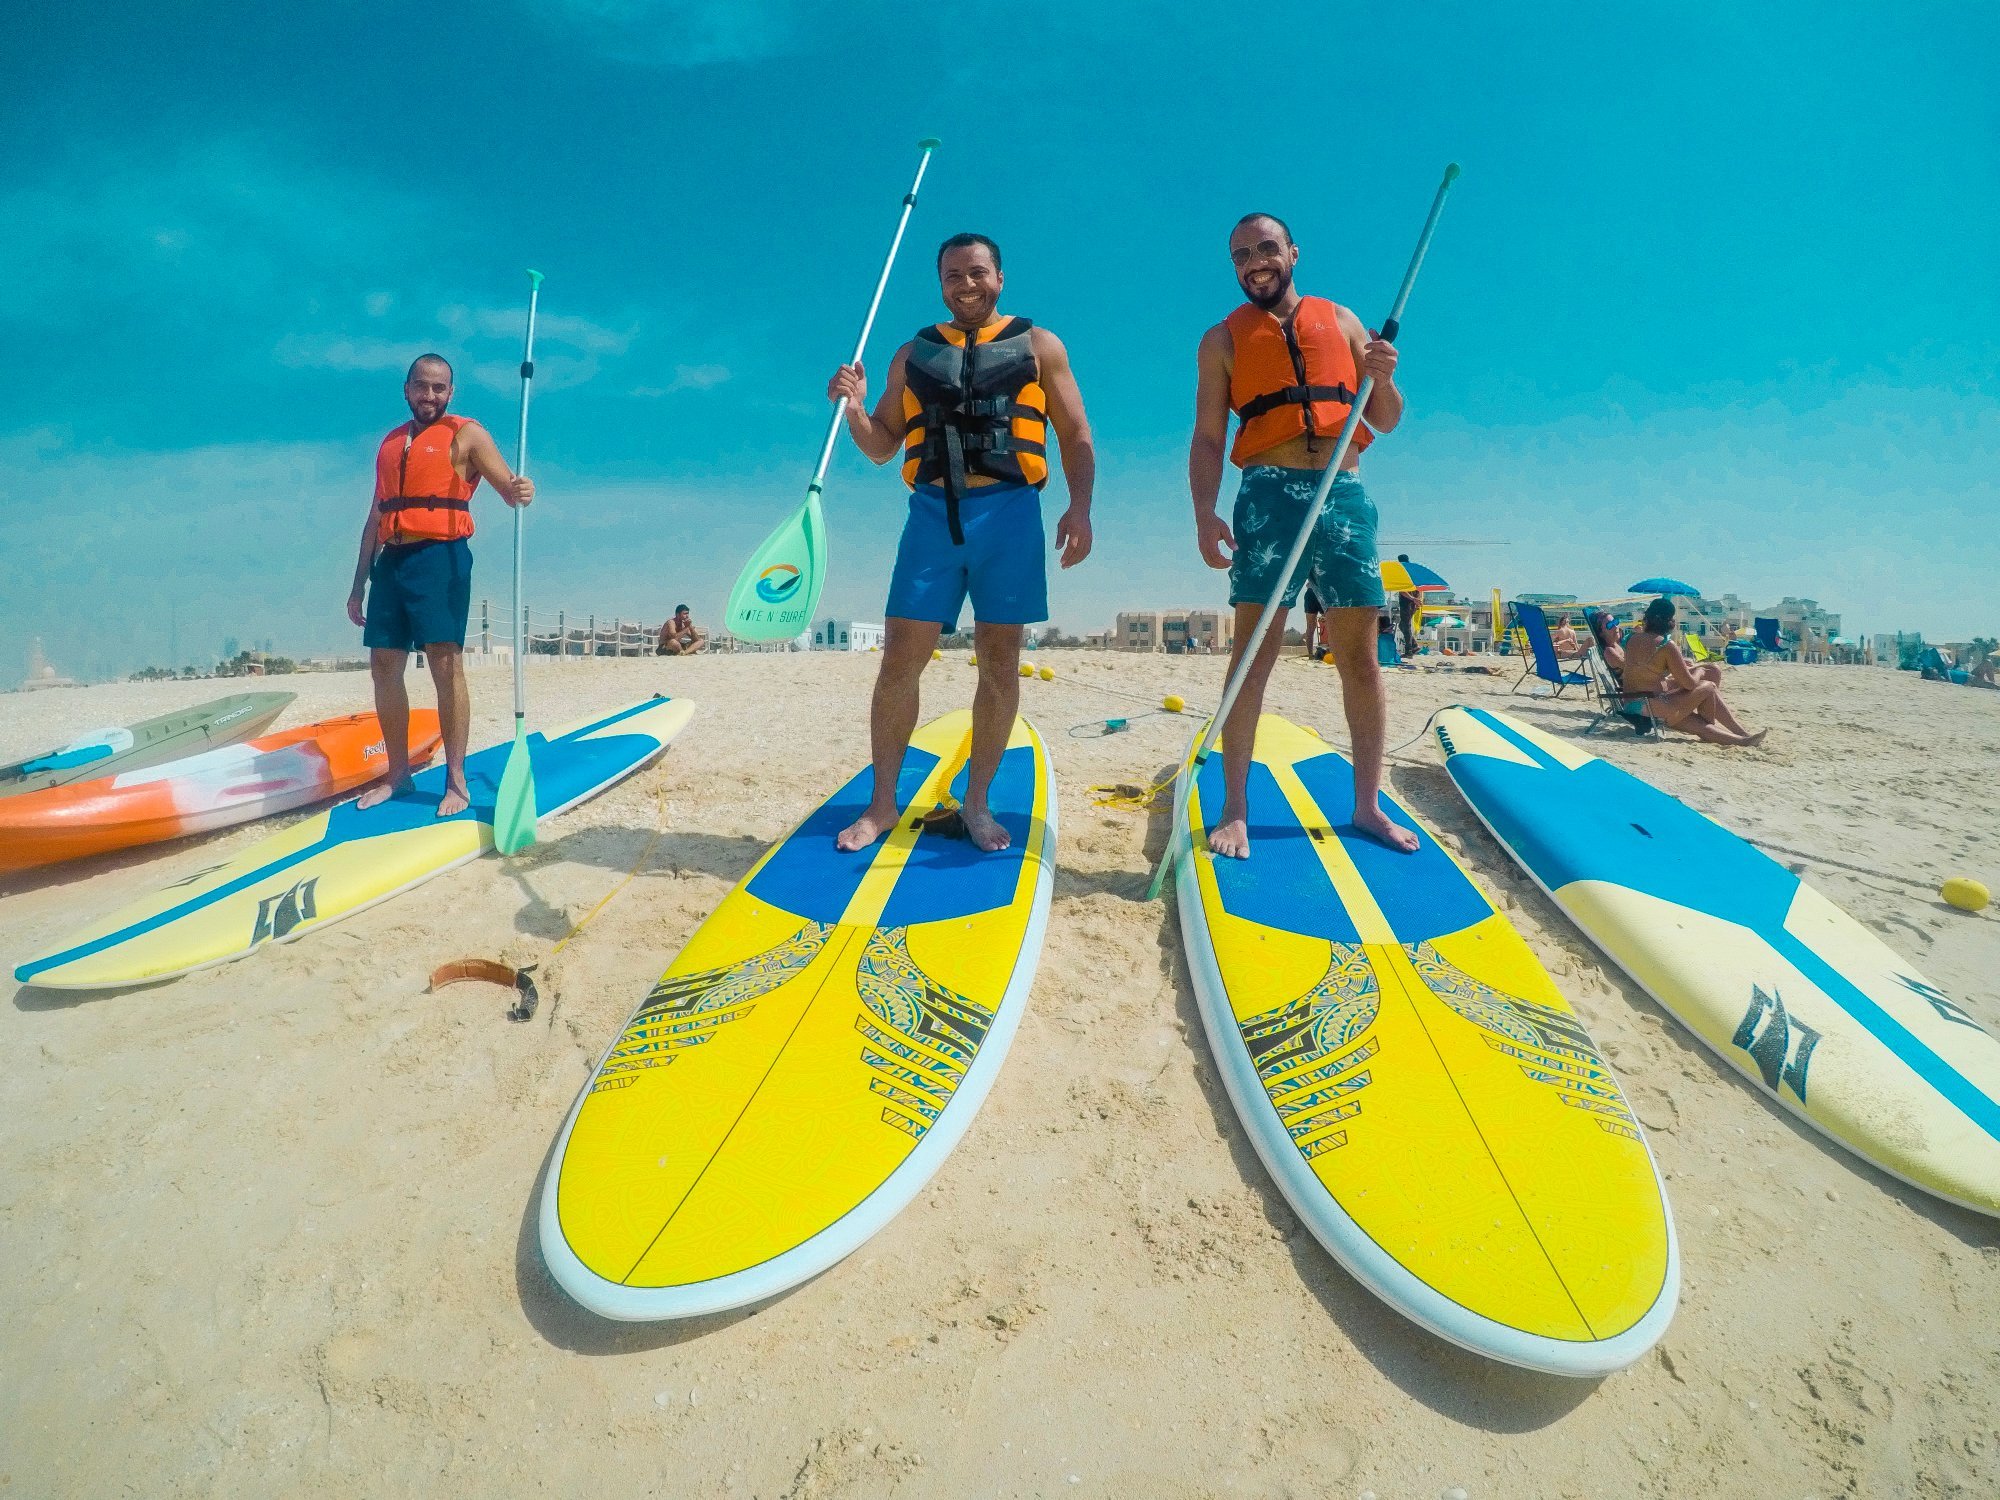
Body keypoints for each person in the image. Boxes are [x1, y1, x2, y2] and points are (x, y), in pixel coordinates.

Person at [824, 232, 1095, 852]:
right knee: (900, 659)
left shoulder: (1039, 345)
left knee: (999, 663)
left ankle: (976, 803)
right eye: (953, 275)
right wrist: (857, 409)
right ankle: (883, 804)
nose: (965, 284)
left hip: (1010, 516)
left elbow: (1076, 433)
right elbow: (882, 444)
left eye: (977, 273)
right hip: (931, 516)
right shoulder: (912, 354)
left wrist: (1080, 507)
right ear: (940, 283)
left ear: (1000, 277)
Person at [1189, 211, 1412, 857]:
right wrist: (1205, 512)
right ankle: (1235, 808)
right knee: (1250, 657)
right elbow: (1208, 436)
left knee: (1361, 660)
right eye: (1240, 255)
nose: (1254, 262)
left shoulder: (1342, 322)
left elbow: (1387, 419)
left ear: (1292, 252)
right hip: (1267, 494)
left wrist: (1385, 376)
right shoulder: (1221, 340)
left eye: (1265, 249)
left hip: (1342, 493)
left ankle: (1367, 805)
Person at [346, 354, 533, 815]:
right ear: (406, 389)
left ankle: (455, 779)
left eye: (439, 388)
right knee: (383, 666)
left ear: (451, 393)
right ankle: (398, 775)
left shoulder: (468, 434)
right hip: (391, 560)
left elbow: (507, 487)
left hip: (440, 559)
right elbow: (375, 516)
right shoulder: (391, 443)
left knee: (444, 665)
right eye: (421, 387)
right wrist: (358, 586)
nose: (430, 396)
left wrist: (520, 490)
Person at [1620, 597, 1767, 746]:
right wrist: (1700, 671)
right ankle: (1739, 733)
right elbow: (1689, 684)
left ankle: (1743, 738)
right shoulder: (1666, 645)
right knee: (1709, 686)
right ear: (1669, 621)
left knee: (1701, 726)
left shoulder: (1630, 639)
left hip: (1631, 705)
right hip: (1651, 706)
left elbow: (1646, 669)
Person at [1394, 553, 1421, 657]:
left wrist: (1413, 599)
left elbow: (1402, 591)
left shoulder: (1402, 572)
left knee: (1406, 626)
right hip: (1413, 602)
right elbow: (1418, 588)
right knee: (1403, 625)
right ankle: (1414, 645)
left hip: (1407, 602)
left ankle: (1409, 651)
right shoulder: (1412, 572)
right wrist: (1417, 599)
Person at [1301, 583, 1324, 659]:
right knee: (1311, 626)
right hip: (1321, 590)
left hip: (1312, 592)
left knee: (1310, 626)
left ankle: (1311, 655)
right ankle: (1310, 654)